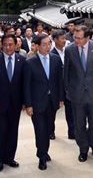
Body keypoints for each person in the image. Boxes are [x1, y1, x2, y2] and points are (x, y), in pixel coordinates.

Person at [63, 25, 93, 162]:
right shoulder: (69, 49)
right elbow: (66, 73)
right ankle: (83, 148)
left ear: (87, 37)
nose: (76, 40)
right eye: (75, 37)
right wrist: (68, 91)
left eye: (79, 38)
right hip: (77, 94)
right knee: (79, 124)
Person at [23, 34, 64, 170]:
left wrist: (60, 98)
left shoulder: (56, 60)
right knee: (40, 130)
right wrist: (28, 104)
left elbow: (59, 81)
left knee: (48, 129)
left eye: (49, 44)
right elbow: (26, 86)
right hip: (37, 103)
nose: (48, 47)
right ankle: (42, 156)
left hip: (52, 102)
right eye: (44, 44)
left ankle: (44, 150)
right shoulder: (30, 62)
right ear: (37, 46)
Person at [0, 34, 26, 172]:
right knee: (2, 130)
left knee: (13, 131)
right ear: (1, 46)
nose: (8, 47)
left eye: (11, 44)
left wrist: (25, 102)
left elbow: (24, 84)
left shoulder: (22, 60)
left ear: (16, 45)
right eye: (5, 45)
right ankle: (0, 159)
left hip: (16, 103)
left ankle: (10, 158)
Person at [51, 29, 74, 139]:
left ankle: (72, 132)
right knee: (53, 111)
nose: (65, 40)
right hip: (56, 87)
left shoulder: (69, 51)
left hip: (69, 86)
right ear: (55, 40)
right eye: (62, 39)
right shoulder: (51, 54)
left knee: (71, 111)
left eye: (65, 38)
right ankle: (51, 131)